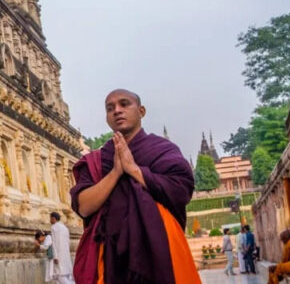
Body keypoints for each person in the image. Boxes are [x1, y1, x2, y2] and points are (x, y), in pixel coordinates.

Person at [70, 89, 200, 284]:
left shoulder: (162, 150)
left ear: (141, 111)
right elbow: (84, 206)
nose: (117, 111)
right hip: (110, 255)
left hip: (157, 249)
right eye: (110, 108)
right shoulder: (99, 158)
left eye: (124, 104)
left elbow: (181, 191)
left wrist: (134, 169)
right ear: (107, 117)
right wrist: (115, 172)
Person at [50, 212, 74, 284]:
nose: (50, 220)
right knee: (64, 277)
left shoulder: (54, 227)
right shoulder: (65, 228)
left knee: (60, 277)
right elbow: (67, 242)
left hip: (58, 256)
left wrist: (55, 256)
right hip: (66, 255)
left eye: (50, 218)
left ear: (53, 218)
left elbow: (53, 243)